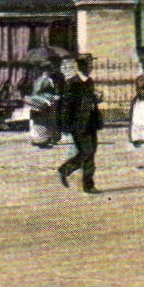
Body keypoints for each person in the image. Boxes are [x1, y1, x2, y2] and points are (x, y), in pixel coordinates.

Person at [57, 53, 103, 193]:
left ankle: (88, 185)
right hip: (79, 125)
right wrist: (65, 127)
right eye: (89, 64)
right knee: (86, 152)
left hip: (91, 123)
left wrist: (97, 99)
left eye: (91, 64)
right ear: (82, 66)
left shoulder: (89, 81)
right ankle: (66, 170)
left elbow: (88, 101)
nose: (91, 67)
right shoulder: (72, 83)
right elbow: (66, 106)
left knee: (91, 152)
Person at [26, 59, 62, 148]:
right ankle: (42, 140)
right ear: (43, 70)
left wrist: (55, 96)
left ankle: (52, 137)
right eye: (47, 69)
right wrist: (45, 100)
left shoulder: (51, 79)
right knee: (43, 122)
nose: (49, 71)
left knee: (52, 120)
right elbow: (35, 94)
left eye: (50, 68)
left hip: (52, 103)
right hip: (44, 104)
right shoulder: (40, 81)